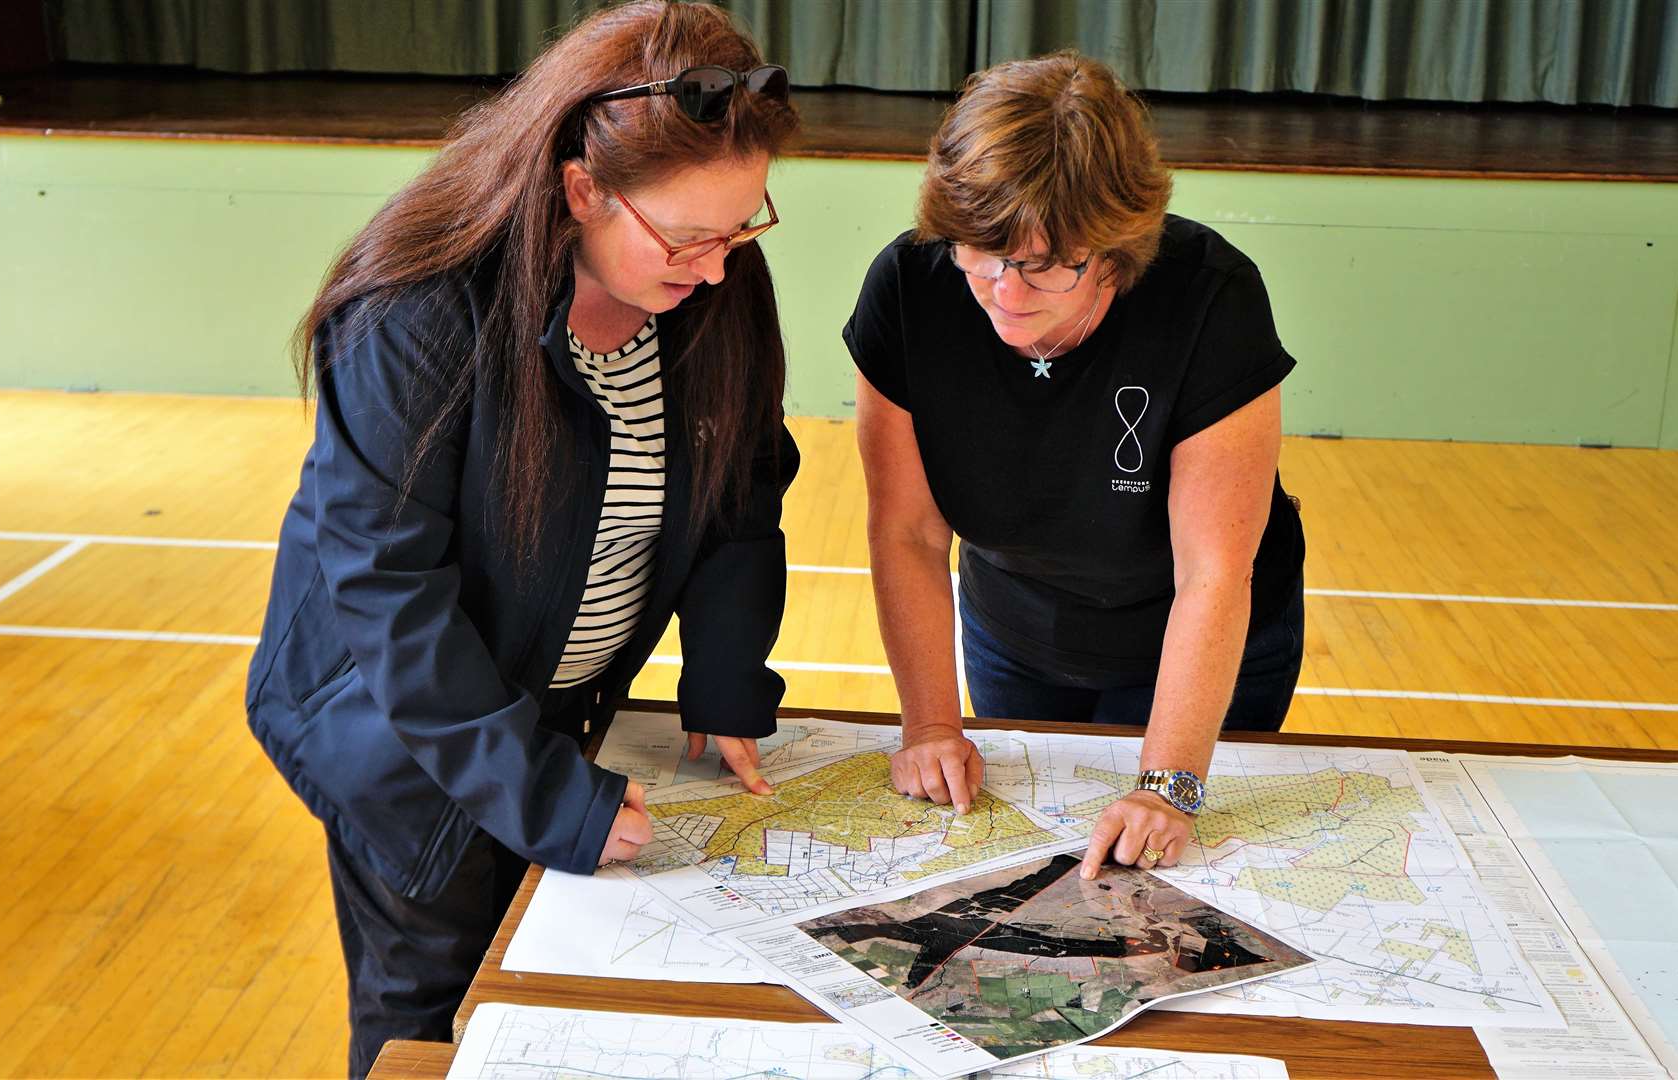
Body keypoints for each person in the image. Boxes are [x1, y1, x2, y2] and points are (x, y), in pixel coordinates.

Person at [242, 3, 798, 1073]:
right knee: (437, 1012)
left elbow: (740, 495)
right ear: (580, 188)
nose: (720, 269)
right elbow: (390, 600)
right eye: (688, 237)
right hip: (401, 741)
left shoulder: (715, 291)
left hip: (561, 715)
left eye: (742, 229)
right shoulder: (420, 308)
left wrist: (726, 683)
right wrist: (545, 797)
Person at [845, 54, 1306, 886]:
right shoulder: (910, 288)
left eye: (1046, 264)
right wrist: (927, 726)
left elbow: (1213, 572)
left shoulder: (1211, 298)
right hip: (1016, 627)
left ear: (1117, 244)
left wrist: (1167, 787)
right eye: (978, 254)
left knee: (1159, 880)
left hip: (1190, 639)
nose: (1003, 291)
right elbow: (908, 533)